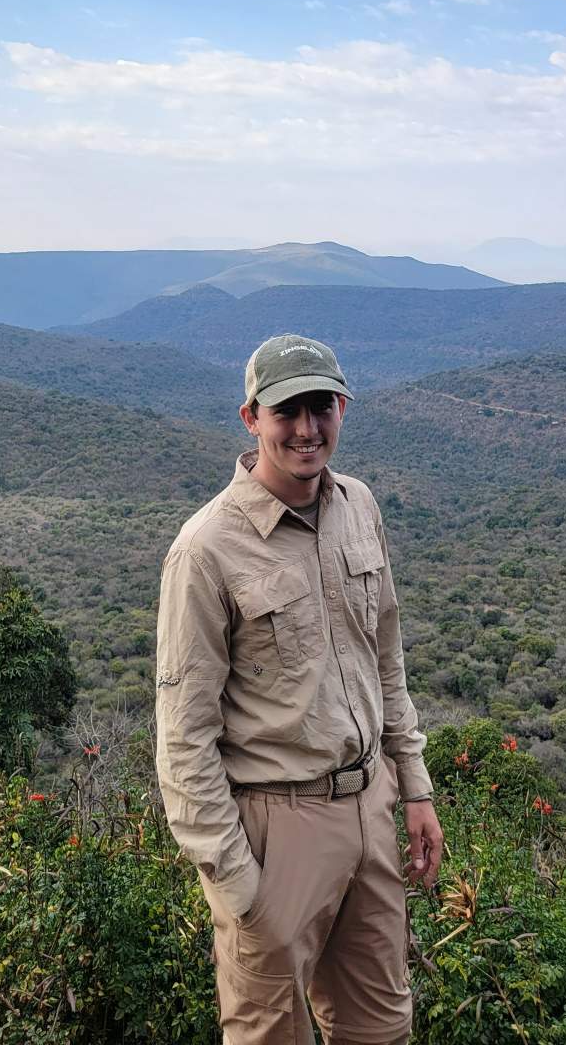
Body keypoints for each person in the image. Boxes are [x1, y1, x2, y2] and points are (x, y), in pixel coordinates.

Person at [155, 333, 443, 1045]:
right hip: (274, 831)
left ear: (343, 407)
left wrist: (415, 789)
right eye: (288, 410)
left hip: (371, 808)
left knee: (382, 1029)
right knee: (271, 1036)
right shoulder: (206, 549)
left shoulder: (359, 506)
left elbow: (387, 660)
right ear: (251, 417)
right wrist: (240, 888)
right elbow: (183, 738)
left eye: (322, 406)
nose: (308, 429)